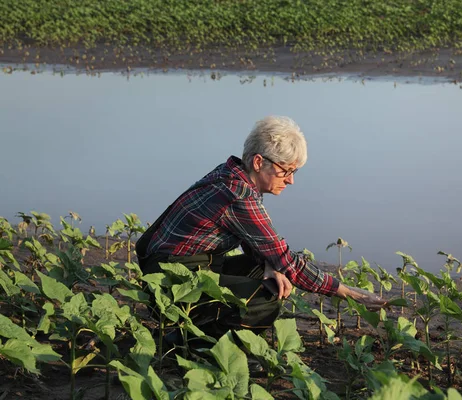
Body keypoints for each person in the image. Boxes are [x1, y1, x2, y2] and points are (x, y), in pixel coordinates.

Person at [136, 116, 387, 341]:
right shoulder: (239, 195)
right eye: (286, 170)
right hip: (170, 284)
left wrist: (269, 263)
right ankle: (190, 345)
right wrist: (349, 292)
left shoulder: (232, 173)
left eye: (294, 171)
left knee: (263, 271)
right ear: (259, 162)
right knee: (267, 298)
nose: (291, 180)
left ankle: (189, 332)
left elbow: (258, 244)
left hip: (176, 269)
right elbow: (289, 262)